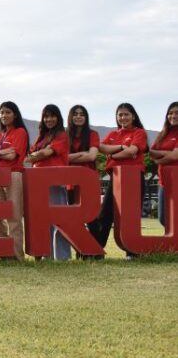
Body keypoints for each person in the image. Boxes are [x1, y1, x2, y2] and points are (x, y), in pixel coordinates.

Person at [91, 103, 148, 258]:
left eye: (126, 114)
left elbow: (132, 151)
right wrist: (122, 147)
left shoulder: (139, 132)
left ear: (133, 116)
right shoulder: (113, 134)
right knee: (105, 214)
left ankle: (132, 252)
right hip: (116, 178)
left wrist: (113, 154)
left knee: (131, 215)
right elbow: (101, 147)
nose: (123, 117)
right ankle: (97, 251)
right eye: (120, 115)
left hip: (134, 177)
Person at [0, 101, 29, 261]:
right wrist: (1, 152)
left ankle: (17, 256)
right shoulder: (0, 135)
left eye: (7, 112)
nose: (4, 115)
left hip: (13, 175)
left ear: (15, 114)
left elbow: (11, 156)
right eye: (1, 112)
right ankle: (4, 253)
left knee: (14, 217)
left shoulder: (20, 132)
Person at [27, 104, 71, 260]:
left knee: (59, 220)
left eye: (52, 116)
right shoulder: (42, 136)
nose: (49, 119)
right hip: (39, 181)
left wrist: (34, 155)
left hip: (55, 181)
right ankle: (46, 254)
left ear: (58, 118)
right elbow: (32, 154)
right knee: (42, 220)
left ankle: (62, 257)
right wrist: (34, 155)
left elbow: (46, 152)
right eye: (46, 116)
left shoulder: (62, 135)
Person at [66, 104, 100, 254]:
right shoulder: (64, 135)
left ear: (86, 117)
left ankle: (95, 252)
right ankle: (81, 251)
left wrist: (71, 157)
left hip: (89, 182)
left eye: (82, 114)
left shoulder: (93, 134)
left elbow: (92, 156)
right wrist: (81, 154)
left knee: (92, 218)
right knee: (75, 219)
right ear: (71, 117)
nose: (79, 116)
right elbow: (62, 158)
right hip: (71, 183)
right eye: (76, 114)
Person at [150, 102, 178, 228]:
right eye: (170, 113)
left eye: (177, 113)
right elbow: (151, 154)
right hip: (164, 181)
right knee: (163, 218)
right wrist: (168, 153)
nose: (173, 116)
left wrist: (159, 160)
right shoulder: (162, 134)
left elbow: (175, 156)